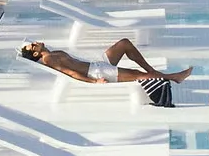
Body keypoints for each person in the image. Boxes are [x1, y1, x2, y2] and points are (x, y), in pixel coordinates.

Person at [19, 38, 192, 107]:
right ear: (36, 53)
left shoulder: (50, 53)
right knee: (139, 75)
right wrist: (94, 82)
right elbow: (70, 73)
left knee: (124, 44)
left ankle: (153, 71)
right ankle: (174, 77)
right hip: (97, 71)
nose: (35, 42)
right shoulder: (49, 58)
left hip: (97, 63)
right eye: (33, 46)